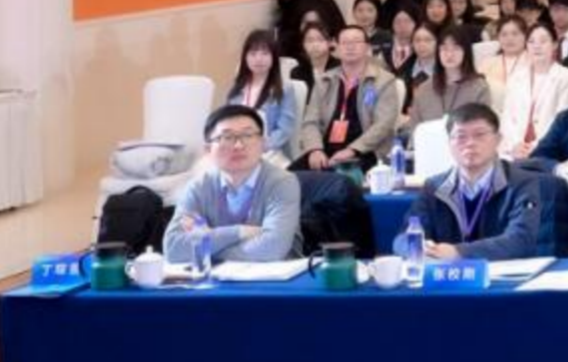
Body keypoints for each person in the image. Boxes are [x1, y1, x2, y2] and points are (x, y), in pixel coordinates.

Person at [162, 105, 302, 264]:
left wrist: (206, 243)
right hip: (216, 278)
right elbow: (173, 249)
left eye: (248, 135)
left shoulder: (282, 182)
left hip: (277, 276)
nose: (238, 146)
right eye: (226, 137)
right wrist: (239, 232)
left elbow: (272, 248)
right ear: (208, 149)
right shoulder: (198, 188)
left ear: (263, 143)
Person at [414, 104, 545, 262]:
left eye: (480, 135)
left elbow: (521, 240)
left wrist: (459, 252)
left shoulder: (522, 183)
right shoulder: (434, 187)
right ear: (449, 142)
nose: (470, 143)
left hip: (501, 273)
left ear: (498, 139)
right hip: (448, 274)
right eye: (461, 136)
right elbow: (404, 236)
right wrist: (418, 246)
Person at [296, 24, 403, 172]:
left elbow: (383, 125)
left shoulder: (384, 80)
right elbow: (310, 122)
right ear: (337, 48)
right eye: (345, 42)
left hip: (365, 151)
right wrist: (315, 149)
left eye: (356, 42)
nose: (350, 47)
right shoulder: (325, 80)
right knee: (289, 178)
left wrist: (352, 150)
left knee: (336, 181)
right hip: (324, 151)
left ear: (367, 47)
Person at [498, 19, 568, 160]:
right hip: (515, 150)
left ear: (555, 45)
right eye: (531, 41)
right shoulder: (516, 77)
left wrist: (536, 146)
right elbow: (508, 117)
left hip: (550, 149)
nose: (537, 46)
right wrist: (516, 144)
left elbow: (561, 119)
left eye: (543, 41)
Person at [220, 28, 298, 161]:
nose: (259, 59)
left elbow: (285, 129)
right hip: (237, 149)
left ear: (273, 58)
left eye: (265, 53)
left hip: (268, 151)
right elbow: (225, 122)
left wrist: (261, 146)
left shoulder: (285, 89)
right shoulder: (237, 89)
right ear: (245, 58)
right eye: (253, 53)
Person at [406, 27, 493, 131]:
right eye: (444, 49)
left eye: (456, 48)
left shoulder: (479, 88)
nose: (449, 54)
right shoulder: (424, 89)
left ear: (466, 52)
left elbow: (482, 128)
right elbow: (415, 130)